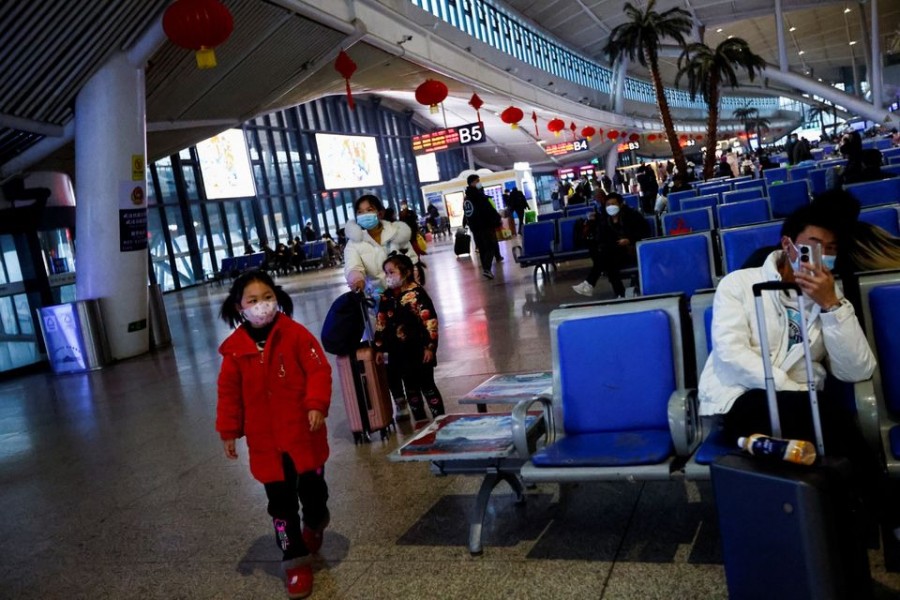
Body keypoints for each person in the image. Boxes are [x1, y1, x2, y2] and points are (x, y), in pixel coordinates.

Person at [216, 270, 332, 600]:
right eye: (252, 300)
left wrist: (316, 405)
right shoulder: (235, 351)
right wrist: (228, 430)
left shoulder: (295, 335)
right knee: (280, 507)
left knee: (313, 492)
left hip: (302, 436)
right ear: (239, 307)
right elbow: (228, 394)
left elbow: (318, 371)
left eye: (267, 298)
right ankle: (293, 559)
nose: (262, 306)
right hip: (266, 444)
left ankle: (315, 521)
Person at [373, 254, 445, 425]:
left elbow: (430, 322)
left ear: (404, 272)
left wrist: (430, 347)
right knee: (410, 388)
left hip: (419, 350)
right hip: (398, 353)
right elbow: (381, 322)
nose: (388, 277)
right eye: (386, 273)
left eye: (391, 272)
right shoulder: (386, 297)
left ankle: (441, 421)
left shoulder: (417, 294)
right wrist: (379, 348)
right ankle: (420, 423)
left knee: (427, 385)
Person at [572, 192, 650, 298]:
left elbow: (645, 232)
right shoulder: (605, 220)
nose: (610, 207)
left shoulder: (632, 216)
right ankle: (619, 293)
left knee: (606, 258)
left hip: (632, 250)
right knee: (608, 260)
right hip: (615, 252)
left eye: (613, 204)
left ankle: (591, 284)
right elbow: (602, 239)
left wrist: (630, 239)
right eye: (608, 205)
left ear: (621, 204)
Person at [344, 194, 417, 294]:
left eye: (369, 210)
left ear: (380, 213)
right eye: (360, 212)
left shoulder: (397, 233)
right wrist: (356, 280)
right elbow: (353, 266)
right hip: (376, 296)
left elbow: (412, 261)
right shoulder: (354, 243)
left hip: (405, 293)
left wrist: (413, 284)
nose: (365, 214)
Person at [462, 174, 503, 279]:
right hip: (484, 226)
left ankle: (486, 270)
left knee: (482, 249)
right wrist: (497, 219)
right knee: (490, 247)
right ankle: (486, 269)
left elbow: (467, 213)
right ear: (473, 183)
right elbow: (488, 210)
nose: (479, 182)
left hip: (475, 228)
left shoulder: (467, 198)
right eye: (477, 181)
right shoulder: (478, 196)